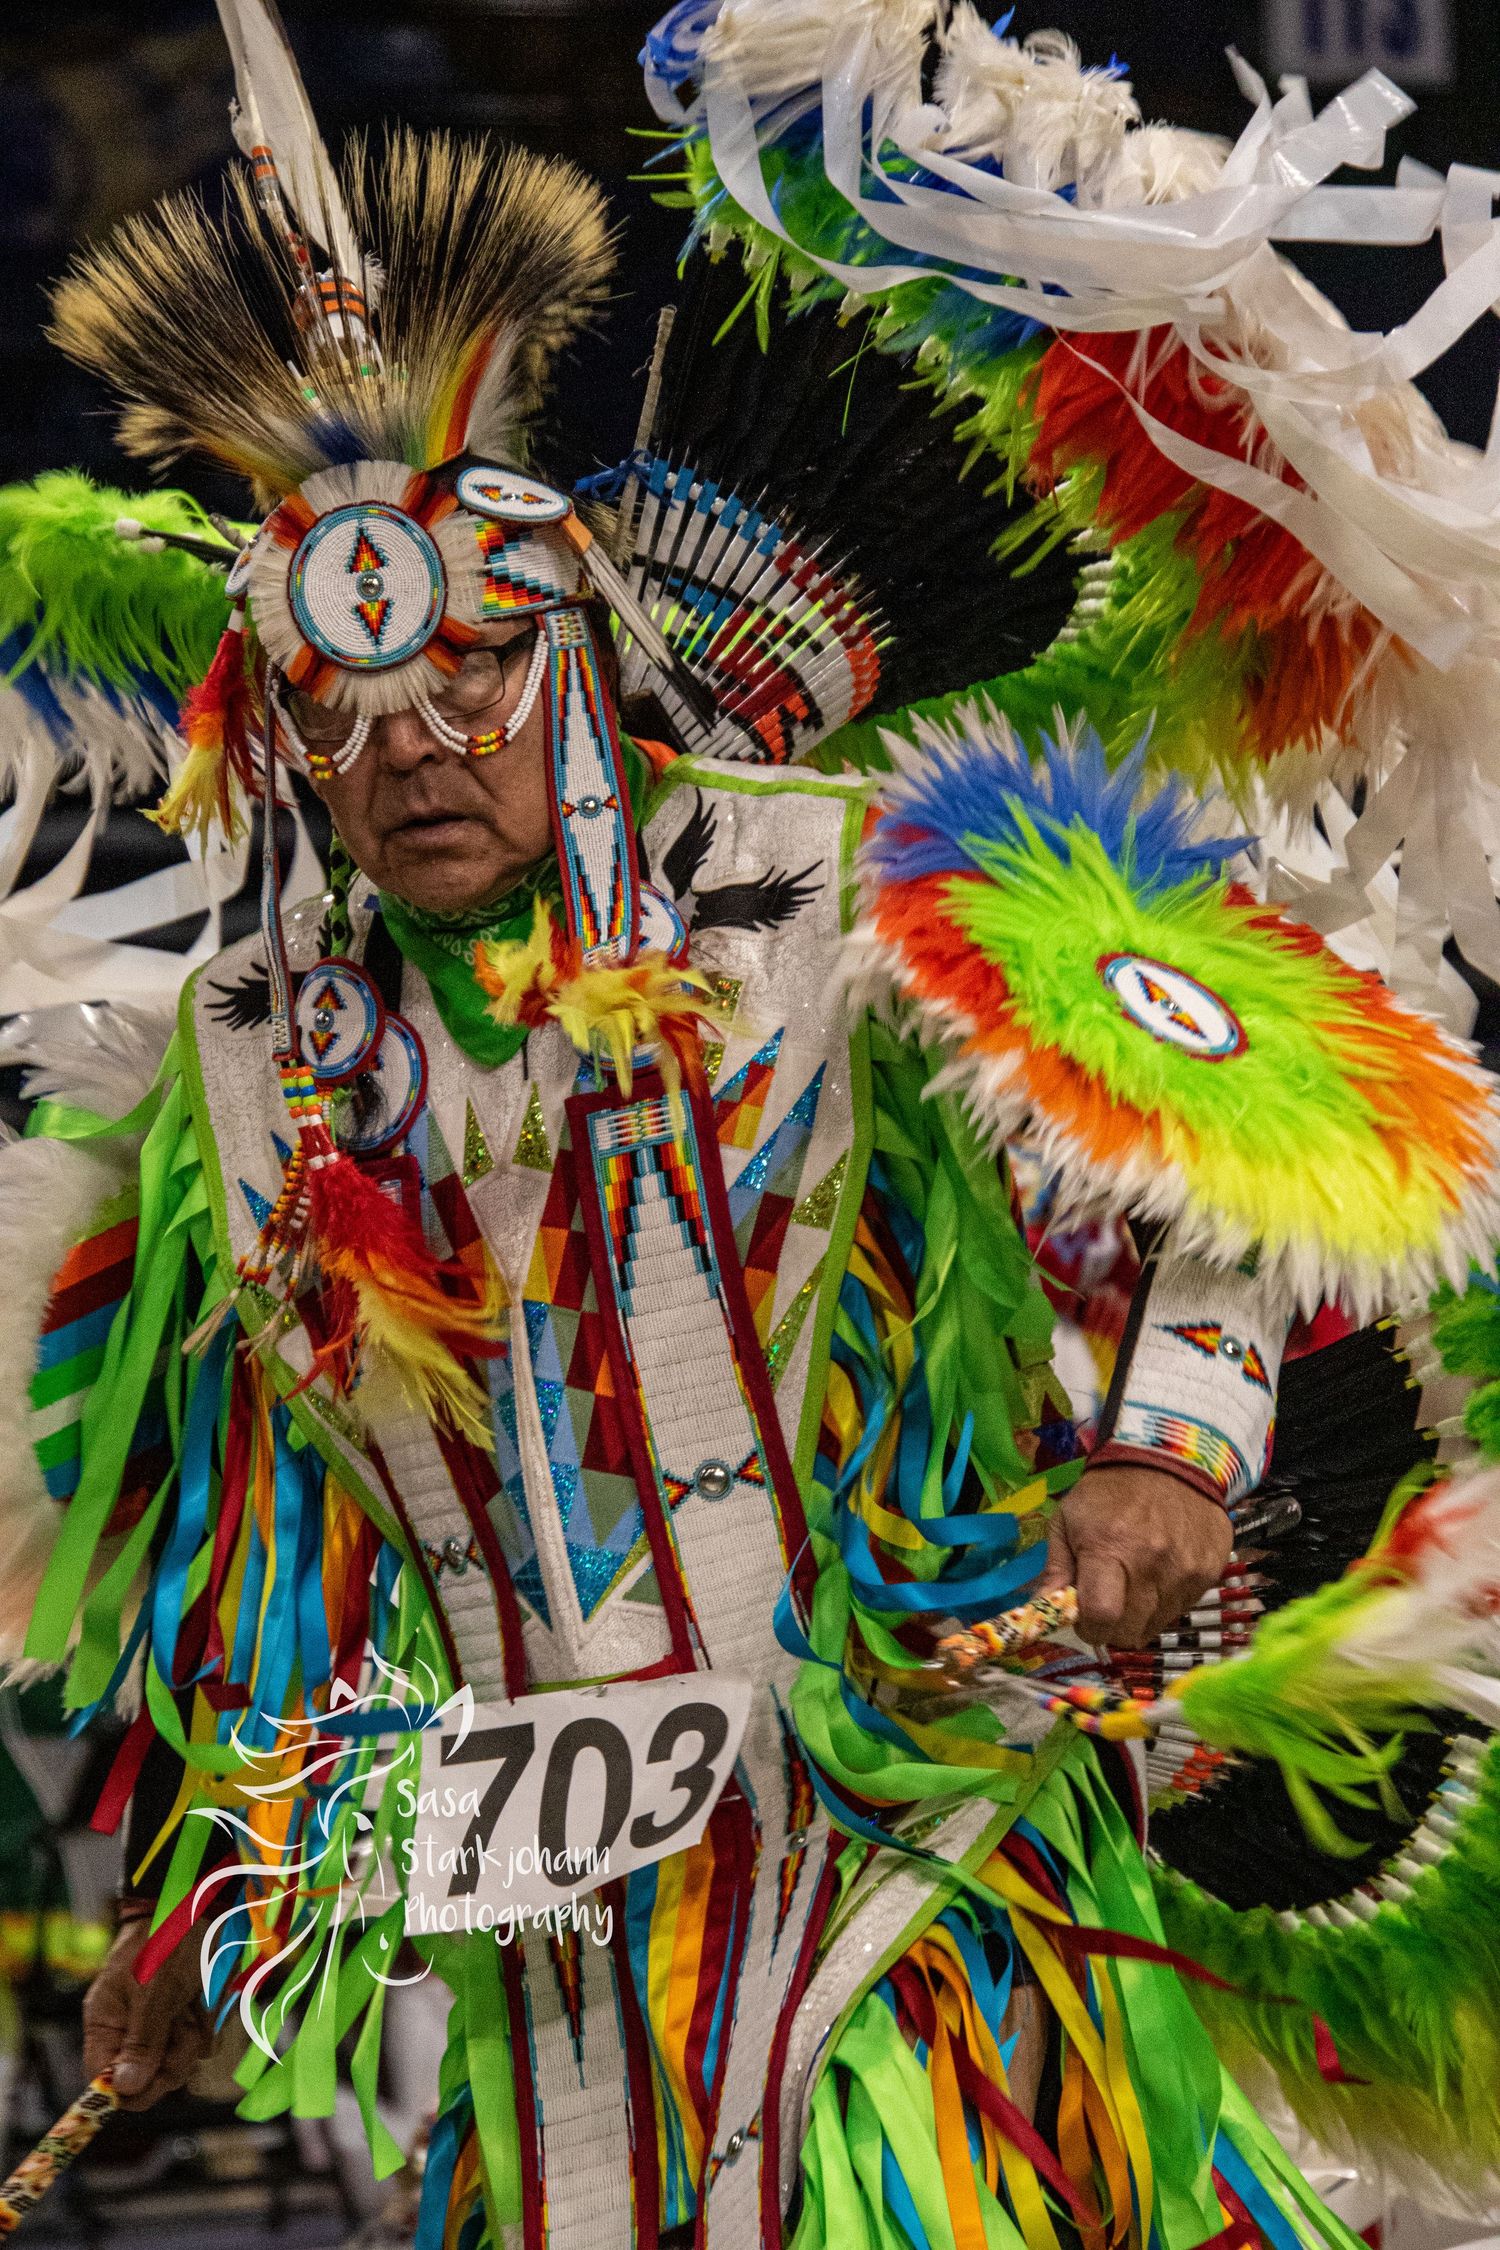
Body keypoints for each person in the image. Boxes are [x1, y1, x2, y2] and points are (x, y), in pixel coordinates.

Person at [7, 3, 1500, 2245]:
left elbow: (1233, 1138)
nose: (417, 749)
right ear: (281, 734)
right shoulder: (251, 1050)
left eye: (473, 683)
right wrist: (241, 1898)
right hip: (553, 1987)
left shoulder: (829, 886)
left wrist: (1163, 1458)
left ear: (579, 655)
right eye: (348, 712)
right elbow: (296, 1563)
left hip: (922, 1871)